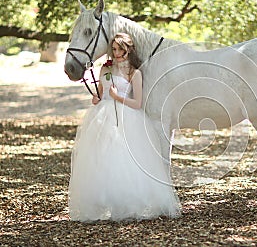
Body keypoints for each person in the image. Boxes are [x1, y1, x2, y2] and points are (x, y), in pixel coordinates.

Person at [68, 33, 181, 221]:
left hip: (125, 116)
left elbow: (137, 103)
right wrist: (96, 97)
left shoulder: (134, 73)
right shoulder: (105, 69)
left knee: (122, 159)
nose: (117, 53)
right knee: (100, 159)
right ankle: (103, 200)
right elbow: (101, 93)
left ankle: (125, 204)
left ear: (129, 50)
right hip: (101, 117)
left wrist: (117, 97)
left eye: (121, 49)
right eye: (114, 49)